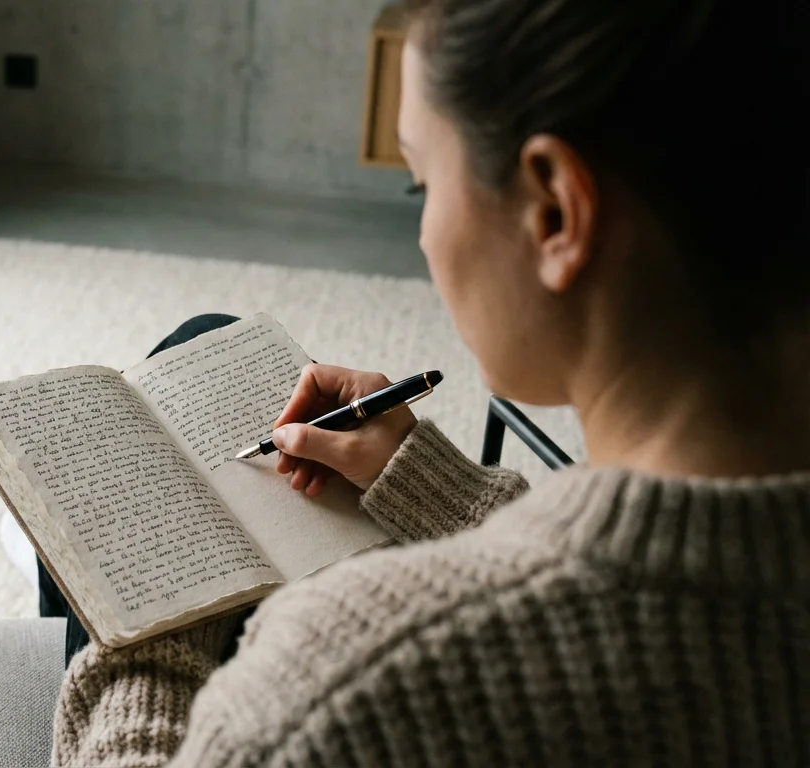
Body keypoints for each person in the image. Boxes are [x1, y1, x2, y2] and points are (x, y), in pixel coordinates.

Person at [43, 0, 810, 764]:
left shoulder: (340, 684)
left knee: (74, 552)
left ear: (555, 213)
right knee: (208, 338)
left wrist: (148, 626)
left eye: (423, 183)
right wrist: (426, 482)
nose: (423, 233)